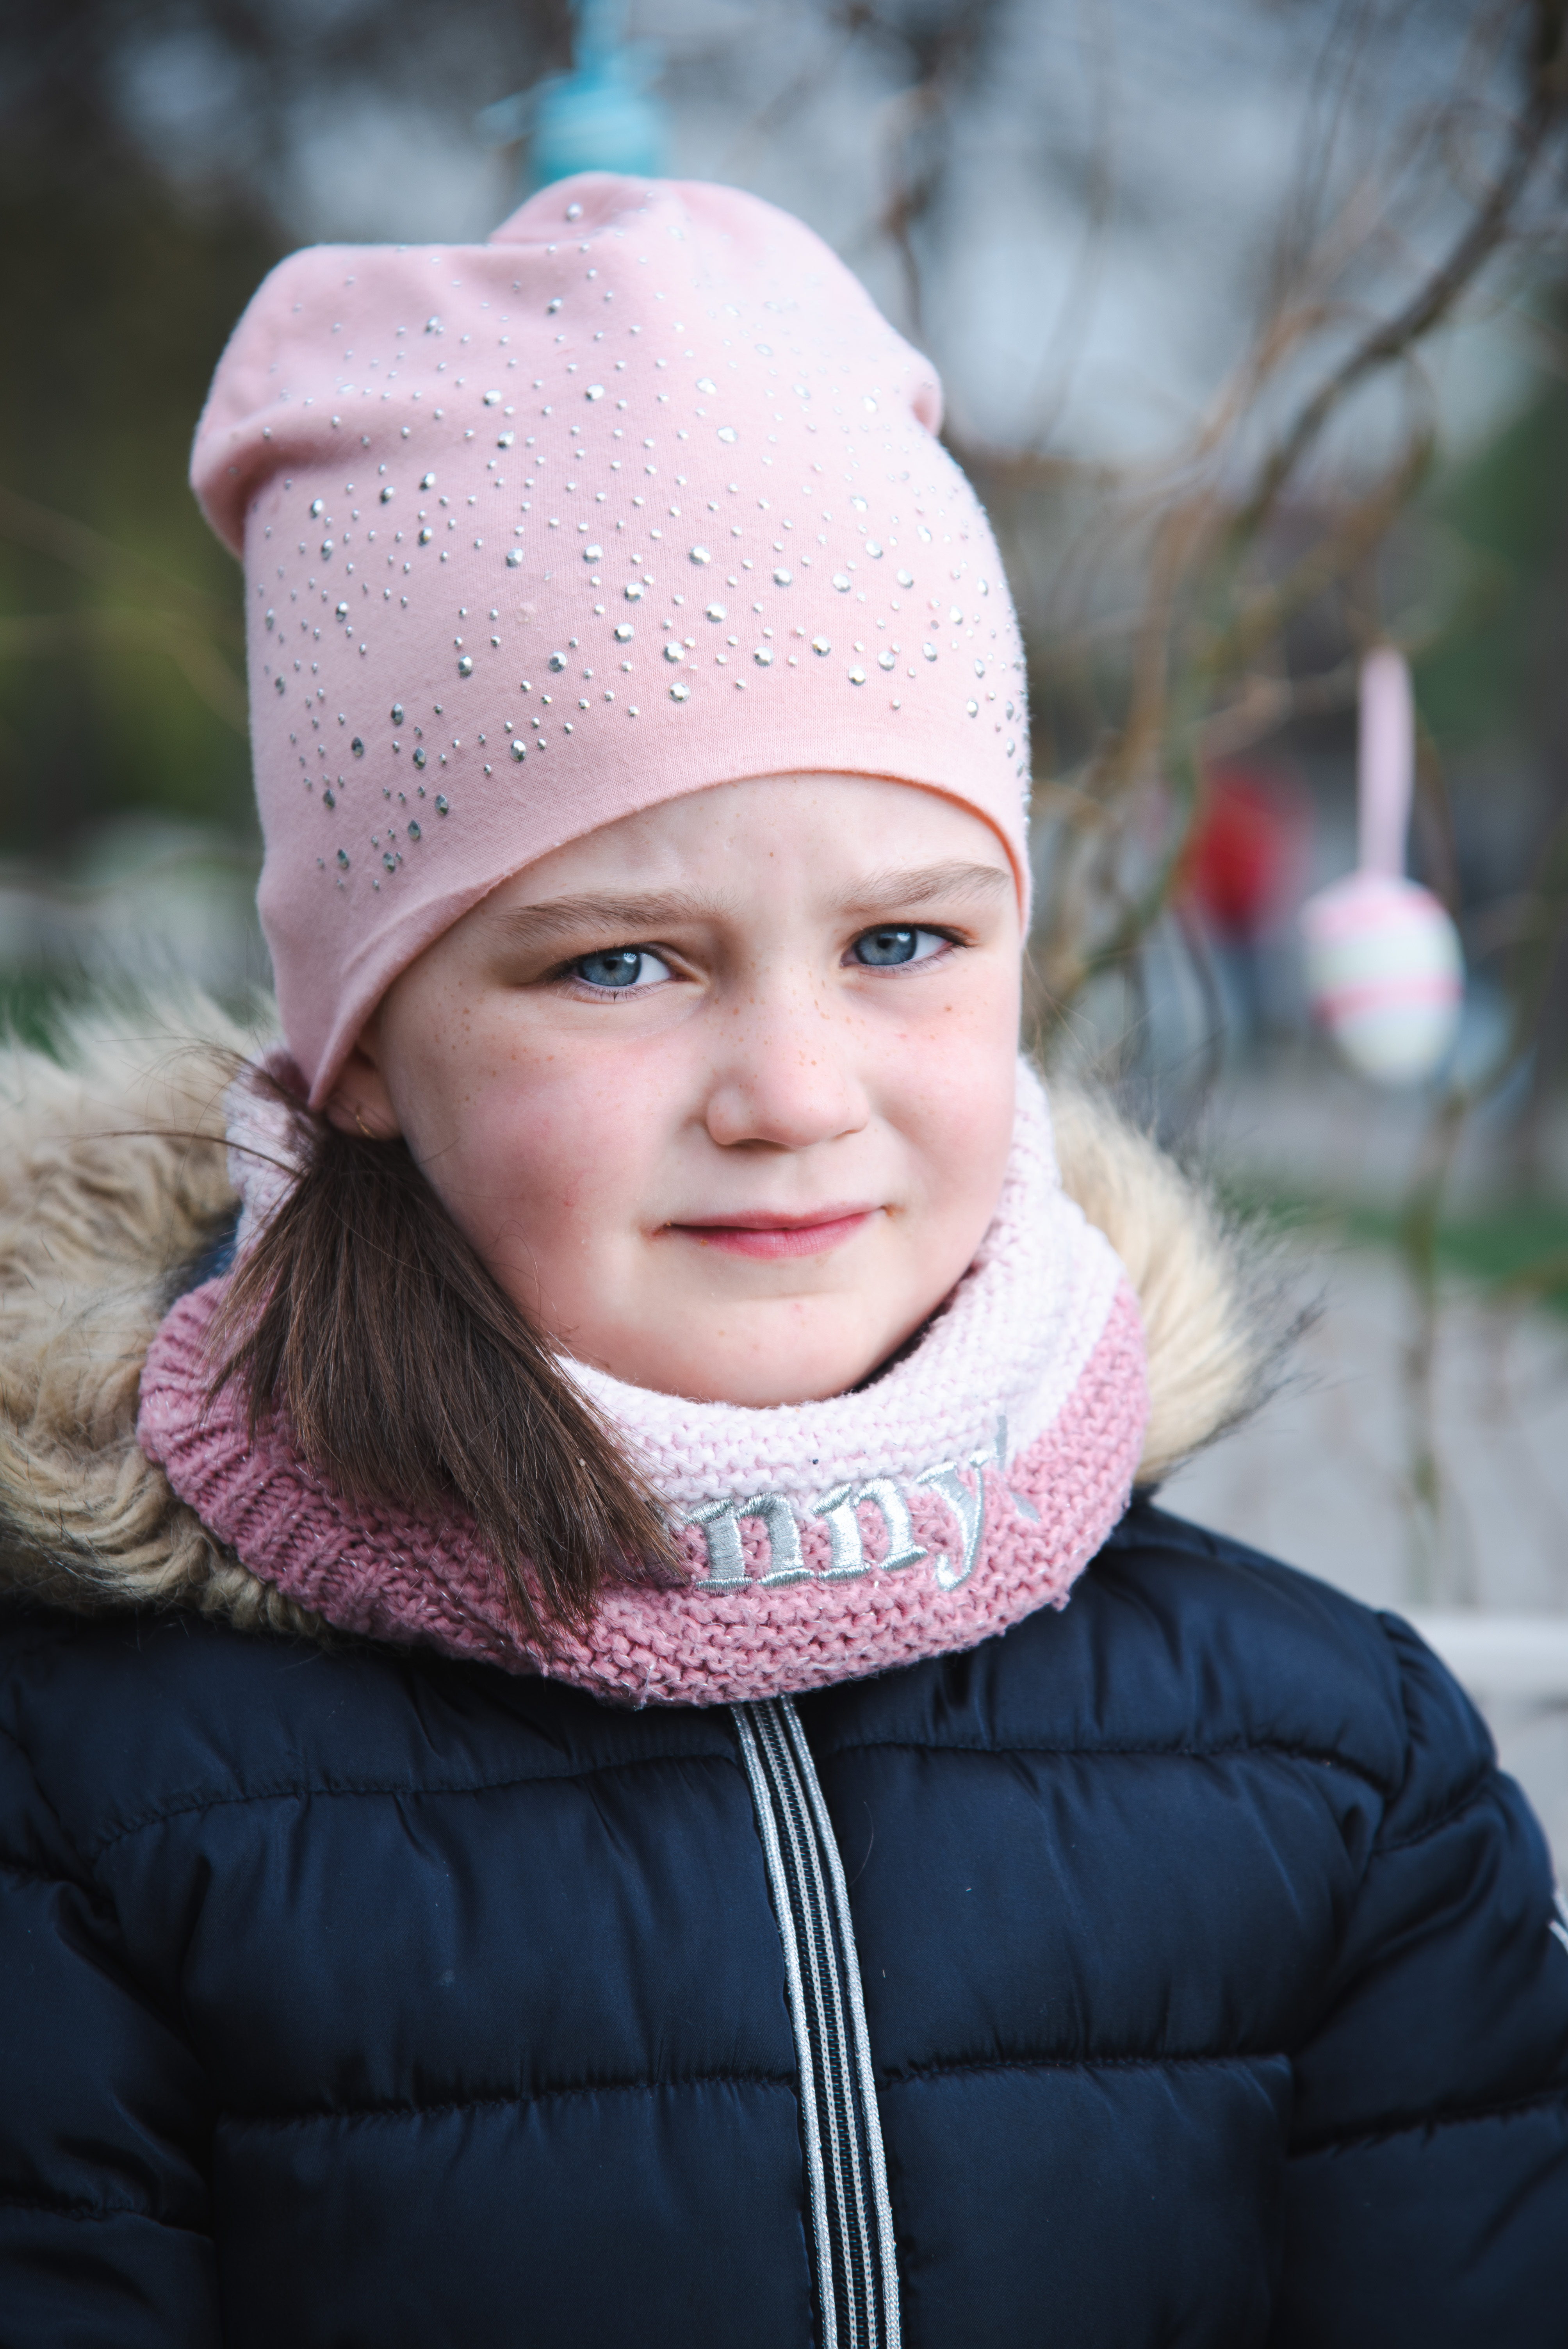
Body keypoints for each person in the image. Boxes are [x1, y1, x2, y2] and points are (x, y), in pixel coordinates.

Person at [1, 173, 1564, 2349]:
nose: (795, 1092)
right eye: (621, 963)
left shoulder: (1336, 1765)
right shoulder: (80, 1795)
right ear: (362, 1056)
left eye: (902, 941)